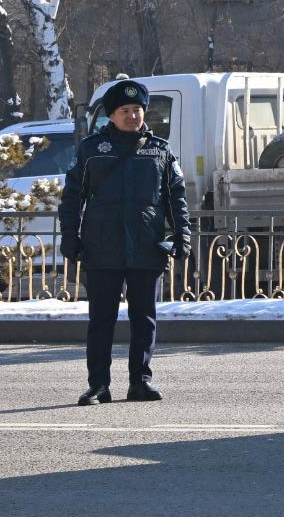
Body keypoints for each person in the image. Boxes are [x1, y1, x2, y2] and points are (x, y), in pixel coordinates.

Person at [57, 79, 191, 405]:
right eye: (125, 111)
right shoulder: (91, 149)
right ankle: (98, 386)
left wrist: (181, 236)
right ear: (111, 116)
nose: (132, 116)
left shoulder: (159, 150)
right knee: (101, 321)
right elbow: (72, 198)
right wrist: (70, 238)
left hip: (147, 247)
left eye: (137, 110)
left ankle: (140, 383)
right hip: (102, 247)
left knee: (144, 320)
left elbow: (175, 198)